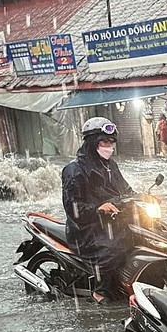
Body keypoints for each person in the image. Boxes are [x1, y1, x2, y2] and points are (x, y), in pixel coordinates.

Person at [61, 117, 134, 301]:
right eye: (104, 142)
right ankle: (99, 292)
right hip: (85, 229)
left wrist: (144, 198)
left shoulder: (110, 166)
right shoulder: (74, 170)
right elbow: (73, 208)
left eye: (111, 142)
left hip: (110, 220)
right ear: (93, 143)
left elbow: (126, 190)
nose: (109, 147)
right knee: (115, 247)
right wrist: (98, 209)